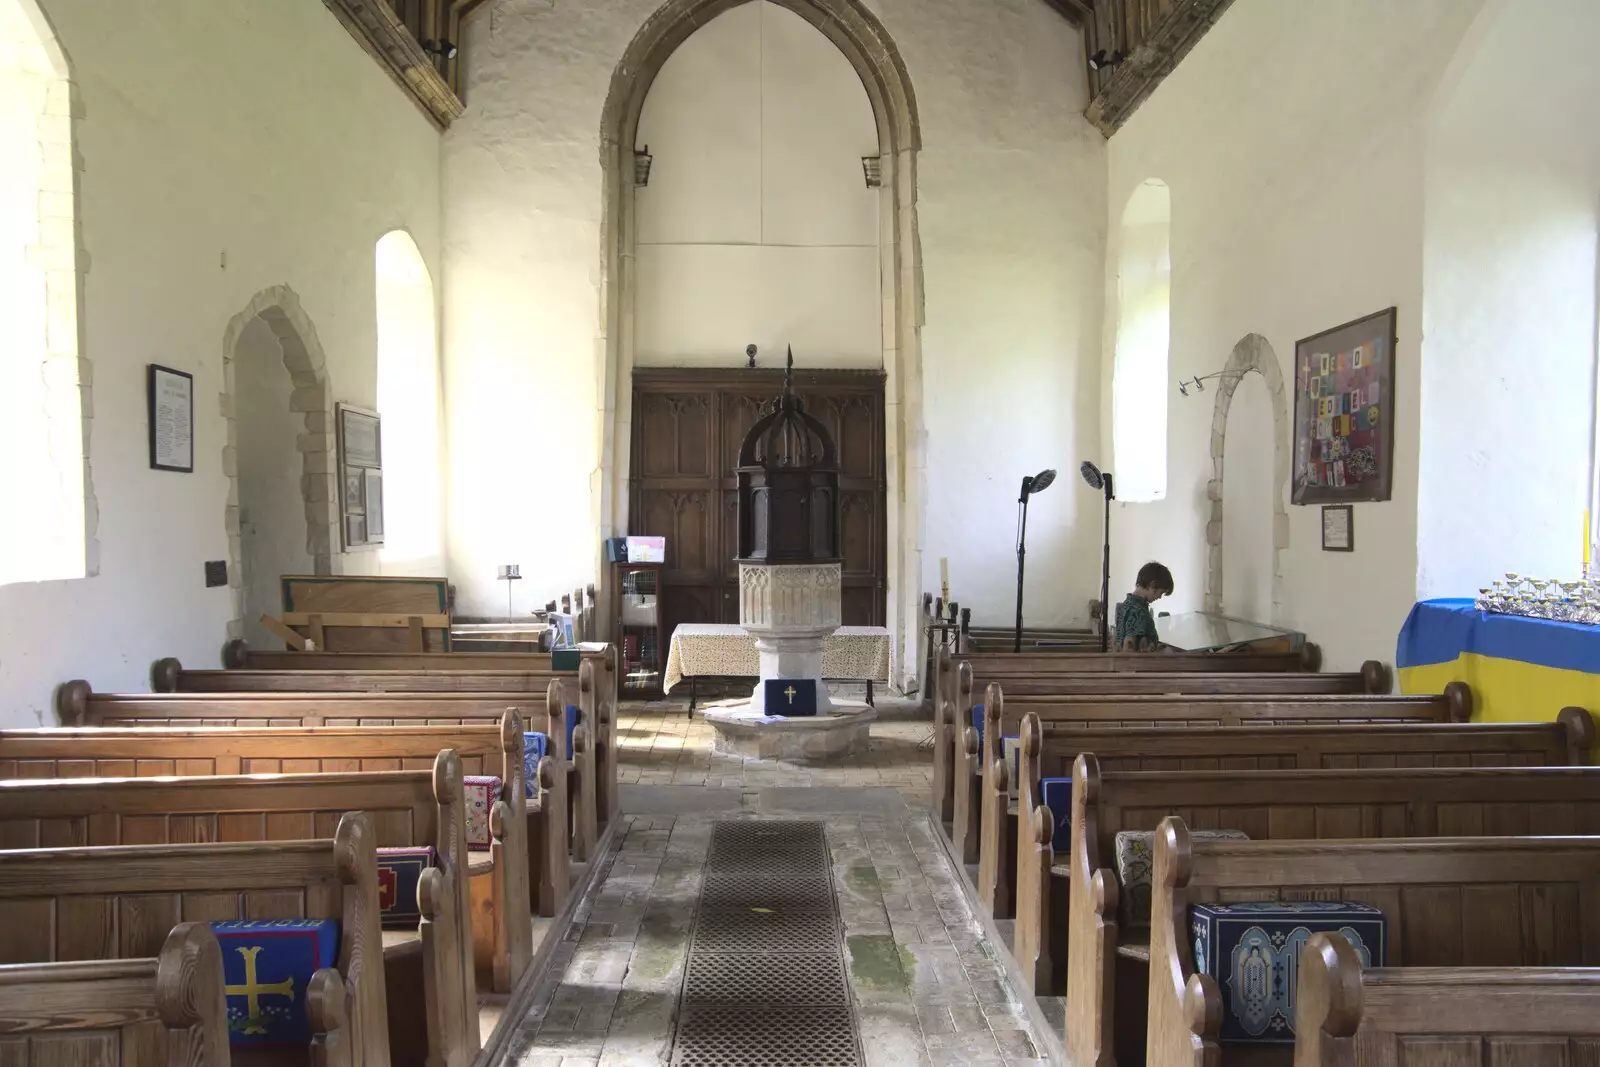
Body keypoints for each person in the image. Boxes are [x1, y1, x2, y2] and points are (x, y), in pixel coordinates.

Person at [1114, 561, 1173, 652]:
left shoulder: (1125, 605)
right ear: (1152, 585)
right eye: (1160, 593)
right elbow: (1129, 648)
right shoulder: (1138, 611)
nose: (1160, 597)